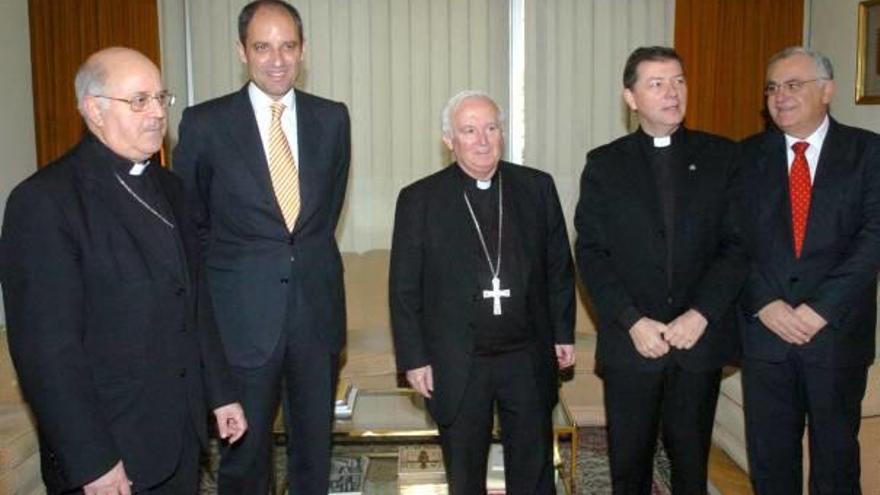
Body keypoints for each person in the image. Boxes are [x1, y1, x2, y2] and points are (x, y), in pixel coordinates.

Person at [0, 47, 246, 495]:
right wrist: (92, 461)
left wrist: (221, 392)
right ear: (93, 109)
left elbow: (193, 304)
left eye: (160, 98)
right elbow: (46, 352)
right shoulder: (44, 202)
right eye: (139, 101)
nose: (156, 113)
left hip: (177, 436)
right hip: (107, 450)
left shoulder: (171, 189)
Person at [172, 0, 351, 493]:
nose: (277, 59)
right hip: (241, 322)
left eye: (288, 46)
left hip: (316, 314)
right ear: (241, 51)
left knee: (315, 453)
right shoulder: (204, 124)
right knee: (244, 460)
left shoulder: (332, 120)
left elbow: (319, 219)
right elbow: (193, 227)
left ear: (303, 50)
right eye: (263, 46)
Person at [574, 46, 746, 494]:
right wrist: (631, 321)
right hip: (634, 343)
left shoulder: (722, 157)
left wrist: (701, 314)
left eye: (679, 81)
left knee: (691, 467)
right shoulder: (604, 164)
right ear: (630, 98)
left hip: (698, 342)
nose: (672, 92)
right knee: (628, 465)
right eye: (656, 83)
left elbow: (738, 246)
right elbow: (591, 254)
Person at [390, 90, 575, 494]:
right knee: (465, 472)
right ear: (448, 140)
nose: (482, 140)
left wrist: (563, 332)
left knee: (533, 468)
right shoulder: (420, 199)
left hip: (526, 354)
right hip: (459, 359)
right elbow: (404, 289)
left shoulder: (536, 188)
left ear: (502, 131)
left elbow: (559, 268)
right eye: (469, 130)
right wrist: (414, 359)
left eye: (491, 127)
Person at [739, 46, 880, 494]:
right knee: (770, 461)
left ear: (828, 91)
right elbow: (729, 243)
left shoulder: (868, 152)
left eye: (793, 84)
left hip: (836, 335)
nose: (780, 96)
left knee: (836, 462)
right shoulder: (742, 158)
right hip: (766, 337)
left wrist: (821, 309)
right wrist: (764, 303)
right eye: (773, 87)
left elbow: (874, 237)